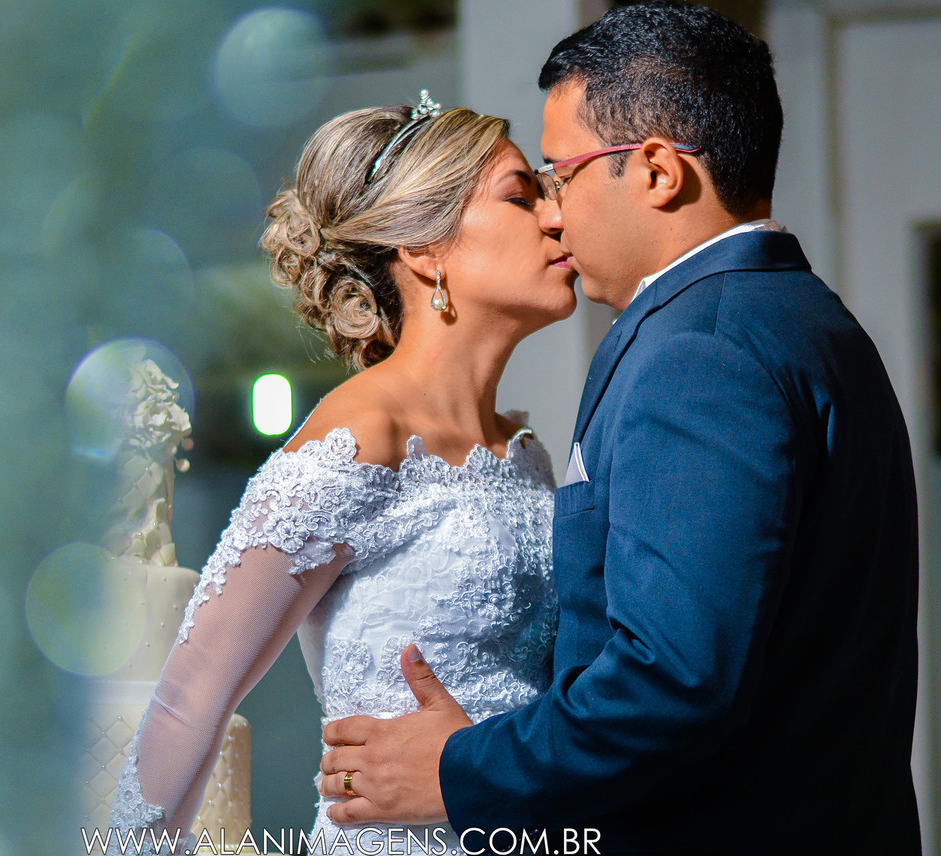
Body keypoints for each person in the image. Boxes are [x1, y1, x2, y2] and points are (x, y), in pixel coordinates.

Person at [316, 4, 922, 854]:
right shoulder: (811, 322)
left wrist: (457, 771)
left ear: (657, 172)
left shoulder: (697, 353)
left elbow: (670, 680)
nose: (553, 214)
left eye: (560, 175)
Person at [105, 94, 579, 855]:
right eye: (522, 197)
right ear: (426, 249)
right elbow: (194, 691)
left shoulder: (523, 453)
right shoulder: (360, 434)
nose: (558, 218)